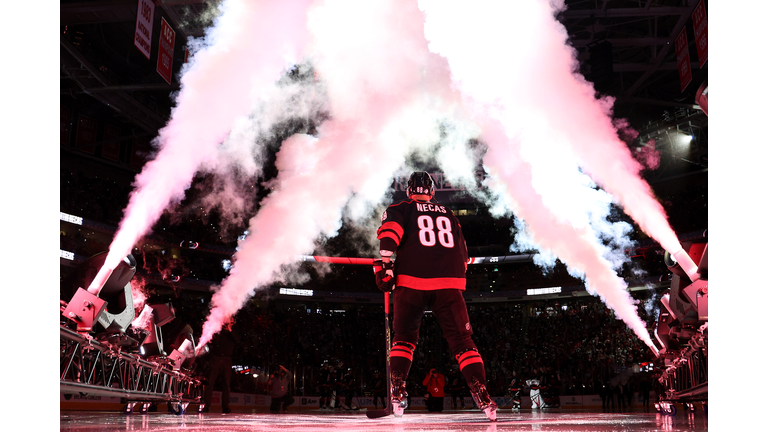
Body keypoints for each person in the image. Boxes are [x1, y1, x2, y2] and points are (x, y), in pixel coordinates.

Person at [375, 171, 497, 421]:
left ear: (409, 190)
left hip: (411, 281)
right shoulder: (449, 214)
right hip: (449, 284)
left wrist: (385, 265)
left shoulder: (401, 208)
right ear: (432, 192)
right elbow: (463, 257)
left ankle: (397, 390)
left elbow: (388, 243)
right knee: (463, 342)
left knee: (404, 338)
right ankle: (482, 394)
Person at [202, 318, 240, 413]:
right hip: (216, 357)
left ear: (233, 322)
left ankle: (225, 406)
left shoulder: (234, 332)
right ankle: (206, 405)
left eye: (231, 320)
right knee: (210, 382)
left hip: (227, 359)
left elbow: (237, 341)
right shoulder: (219, 330)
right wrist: (222, 329)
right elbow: (215, 342)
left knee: (226, 384)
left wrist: (230, 330)